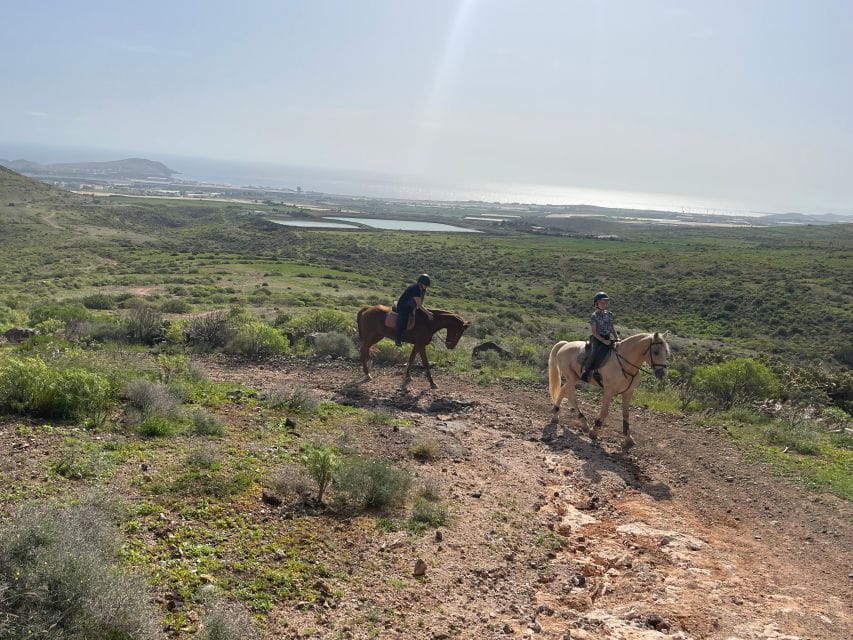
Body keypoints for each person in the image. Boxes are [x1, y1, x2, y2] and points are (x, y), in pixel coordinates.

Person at [581, 291, 621, 383]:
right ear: (596, 303)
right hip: (597, 338)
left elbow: (612, 327)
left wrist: (617, 337)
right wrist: (603, 340)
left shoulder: (609, 314)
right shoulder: (594, 316)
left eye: (605, 302)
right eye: (602, 302)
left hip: (607, 337)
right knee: (594, 352)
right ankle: (586, 372)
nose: (604, 304)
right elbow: (594, 332)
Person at [395, 274, 433, 346]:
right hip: (403, 306)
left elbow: (420, 302)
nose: (426, 286)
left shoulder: (422, 289)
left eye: (427, 285)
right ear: (421, 283)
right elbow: (419, 304)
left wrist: (424, 310)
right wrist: (428, 313)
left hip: (411, 305)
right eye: (425, 285)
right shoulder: (415, 289)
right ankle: (398, 338)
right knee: (404, 318)